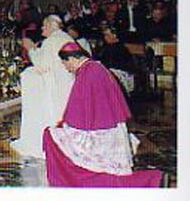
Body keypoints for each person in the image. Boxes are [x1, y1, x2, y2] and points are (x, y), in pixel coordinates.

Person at [43, 42, 163, 187]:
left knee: (51, 136)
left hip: (100, 132)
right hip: (109, 126)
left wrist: (65, 125)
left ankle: (150, 179)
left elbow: (78, 108)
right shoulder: (96, 67)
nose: (67, 69)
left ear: (72, 59)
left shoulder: (88, 73)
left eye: (65, 64)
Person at [10, 15, 74, 159]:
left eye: (44, 25)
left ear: (52, 26)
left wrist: (30, 48)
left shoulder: (51, 41)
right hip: (66, 83)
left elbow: (41, 65)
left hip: (55, 86)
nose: (42, 28)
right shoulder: (65, 37)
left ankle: (50, 142)